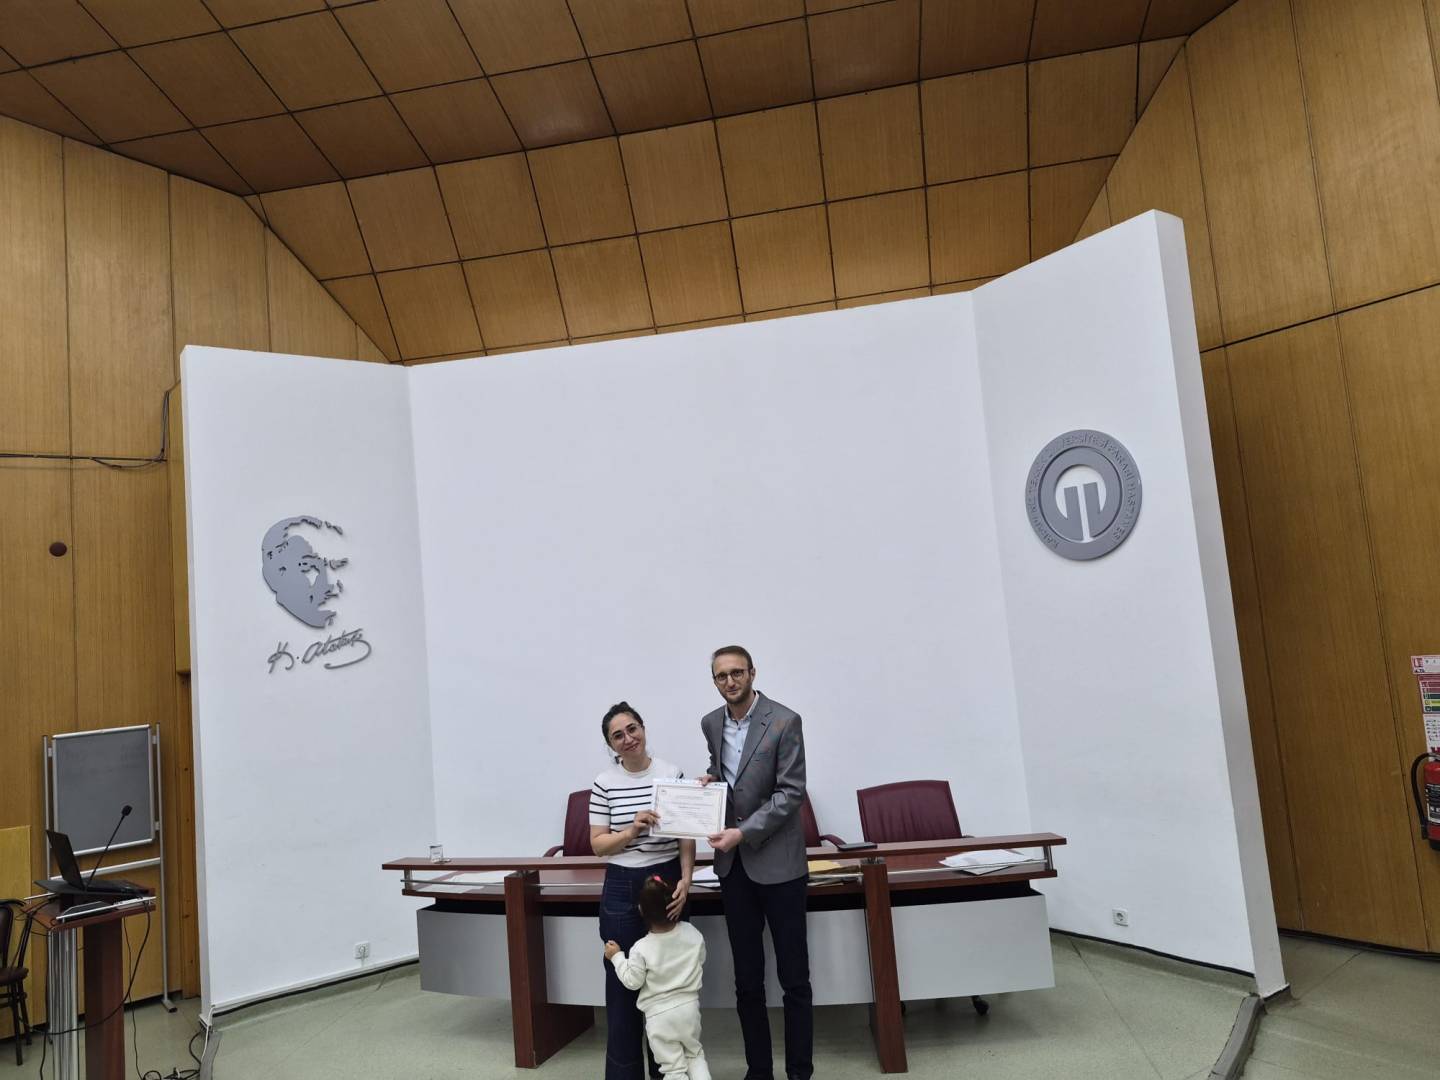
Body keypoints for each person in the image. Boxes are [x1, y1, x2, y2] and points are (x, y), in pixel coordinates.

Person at [699, 646, 812, 1080]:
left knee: (794, 979)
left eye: (737, 673)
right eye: (721, 675)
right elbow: (730, 775)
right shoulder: (711, 723)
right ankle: (758, 1071)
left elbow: (791, 793)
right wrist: (710, 782)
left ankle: (799, 1072)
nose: (730, 681)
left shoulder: (784, 720)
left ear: (752, 673)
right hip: (734, 869)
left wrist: (743, 832)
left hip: (780, 866)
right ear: (714, 681)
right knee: (747, 981)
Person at [591, 702, 695, 1080]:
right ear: (611, 745)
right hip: (621, 884)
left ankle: (670, 1073)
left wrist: (686, 878)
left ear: (643, 728)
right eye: (617, 735)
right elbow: (599, 845)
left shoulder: (671, 774)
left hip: (666, 881)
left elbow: (685, 834)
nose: (628, 738)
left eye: (632, 729)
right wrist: (632, 831)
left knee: (665, 987)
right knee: (623, 990)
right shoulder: (604, 783)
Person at [604, 874, 712, 1080]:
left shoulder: (641, 948)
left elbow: (633, 981)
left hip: (660, 1017)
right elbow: (701, 958)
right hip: (689, 1010)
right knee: (695, 1055)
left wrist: (616, 957)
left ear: (641, 911)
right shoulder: (692, 932)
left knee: (673, 1069)